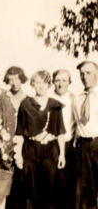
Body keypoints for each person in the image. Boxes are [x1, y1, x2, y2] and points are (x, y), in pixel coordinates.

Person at [15, 70, 66, 209]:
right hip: (30, 151)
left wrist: (62, 154)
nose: (41, 86)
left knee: (50, 191)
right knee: (31, 191)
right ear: (32, 84)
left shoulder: (56, 105)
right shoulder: (25, 104)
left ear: (49, 85)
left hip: (51, 151)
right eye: (38, 82)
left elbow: (60, 130)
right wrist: (18, 156)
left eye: (44, 83)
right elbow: (19, 133)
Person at [0, 66, 28, 209]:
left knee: (20, 180)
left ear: (22, 80)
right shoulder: (2, 97)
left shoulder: (28, 99)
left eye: (16, 79)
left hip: (22, 144)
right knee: (3, 179)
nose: (13, 82)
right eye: (10, 79)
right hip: (5, 144)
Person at [72, 61, 98, 209]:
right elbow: (77, 124)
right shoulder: (78, 98)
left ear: (96, 74)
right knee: (85, 190)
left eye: (88, 73)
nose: (84, 77)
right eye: (81, 74)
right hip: (83, 146)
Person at [50, 69, 76, 209]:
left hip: (67, 146)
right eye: (57, 80)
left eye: (64, 80)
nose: (60, 84)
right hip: (49, 146)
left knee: (66, 187)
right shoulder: (46, 98)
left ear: (69, 83)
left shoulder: (74, 99)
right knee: (49, 186)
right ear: (53, 82)